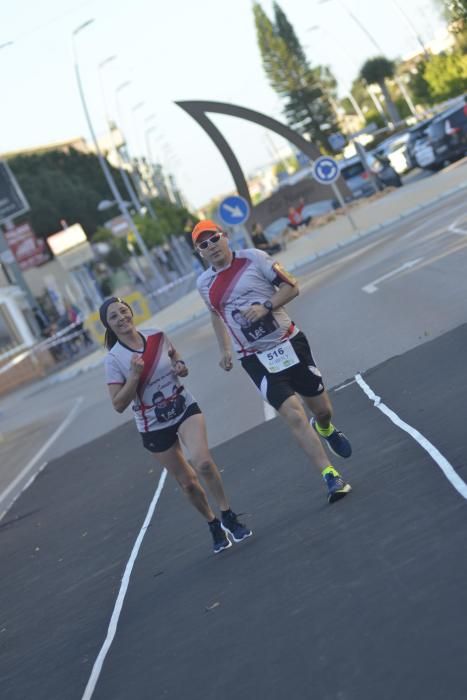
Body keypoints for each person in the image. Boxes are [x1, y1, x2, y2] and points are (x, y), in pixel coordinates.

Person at [192, 220, 352, 504]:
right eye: (203, 244)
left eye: (214, 238)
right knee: (293, 414)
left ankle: (325, 428)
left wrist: (265, 306)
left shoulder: (254, 258)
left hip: (290, 342)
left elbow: (292, 287)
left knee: (322, 409)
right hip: (255, 358)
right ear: (200, 252)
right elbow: (216, 314)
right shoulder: (204, 284)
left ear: (225, 237)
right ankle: (330, 475)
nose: (211, 246)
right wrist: (224, 348)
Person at [100, 296, 252, 554]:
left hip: (183, 406)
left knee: (202, 462)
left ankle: (227, 514)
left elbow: (174, 356)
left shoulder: (157, 336)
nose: (121, 318)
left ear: (131, 313)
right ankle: (212, 523)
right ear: (108, 325)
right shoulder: (113, 360)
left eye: (123, 311)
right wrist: (134, 376)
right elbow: (118, 404)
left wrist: (180, 366)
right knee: (188, 483)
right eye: (113, 316)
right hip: (153, 424)